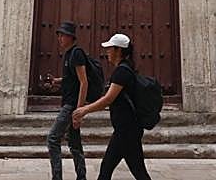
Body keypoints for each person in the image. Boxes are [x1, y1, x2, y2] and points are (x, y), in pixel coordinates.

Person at [72, 33, 152, 180]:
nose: (107, 52)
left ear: (118, 50)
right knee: (114, 169)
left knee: (121, 170)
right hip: (126, 129)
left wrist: (84, 110)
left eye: (110, 48)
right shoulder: (125, 68)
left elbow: (108, 99)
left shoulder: (122, 71)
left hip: (127, 130)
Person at [46, 21, 89, 180]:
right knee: (74, 142)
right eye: (59, 35)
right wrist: (56, 81)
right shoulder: (68, 54)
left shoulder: (76, 54)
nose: (59, 38)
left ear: (71, 37)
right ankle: (81, 176)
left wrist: (79, 111)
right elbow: (72, 79)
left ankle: (57, 177)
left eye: (62, 35)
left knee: (52, 139)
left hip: (71, 105)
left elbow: (84, 82)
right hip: (69, 103)